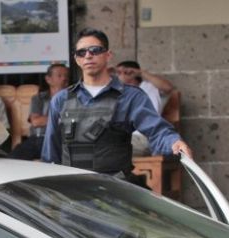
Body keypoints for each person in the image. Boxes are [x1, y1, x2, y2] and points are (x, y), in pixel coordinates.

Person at [41, 28, 192, 182]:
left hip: (116, 189)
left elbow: (157, 130)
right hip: (74, 190)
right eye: (82, 52)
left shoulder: (130, 97)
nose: (88, 55)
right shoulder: (61, 99)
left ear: (108, 55)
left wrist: (174, 142)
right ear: (77, 59)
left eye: (95, 50)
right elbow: (50, 151)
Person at [10, 63, 69, 160]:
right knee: (12, 159)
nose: (64, 78)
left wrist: (46, 119)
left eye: (66, 76)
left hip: (58, 140)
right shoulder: (39, 98)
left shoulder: (72, 98)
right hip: (36, 138)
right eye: (59, 75)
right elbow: (36, 122)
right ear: (48, 79)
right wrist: (60, 118)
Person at [115, 60, 175, 156]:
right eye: (118, 73)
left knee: (108, 149)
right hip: (122, 137)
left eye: (125, 72)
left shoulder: (150, 88)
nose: (121, 75)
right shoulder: (117, 92)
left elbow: (168, 88)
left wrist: (140, 72)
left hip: (143, 138)